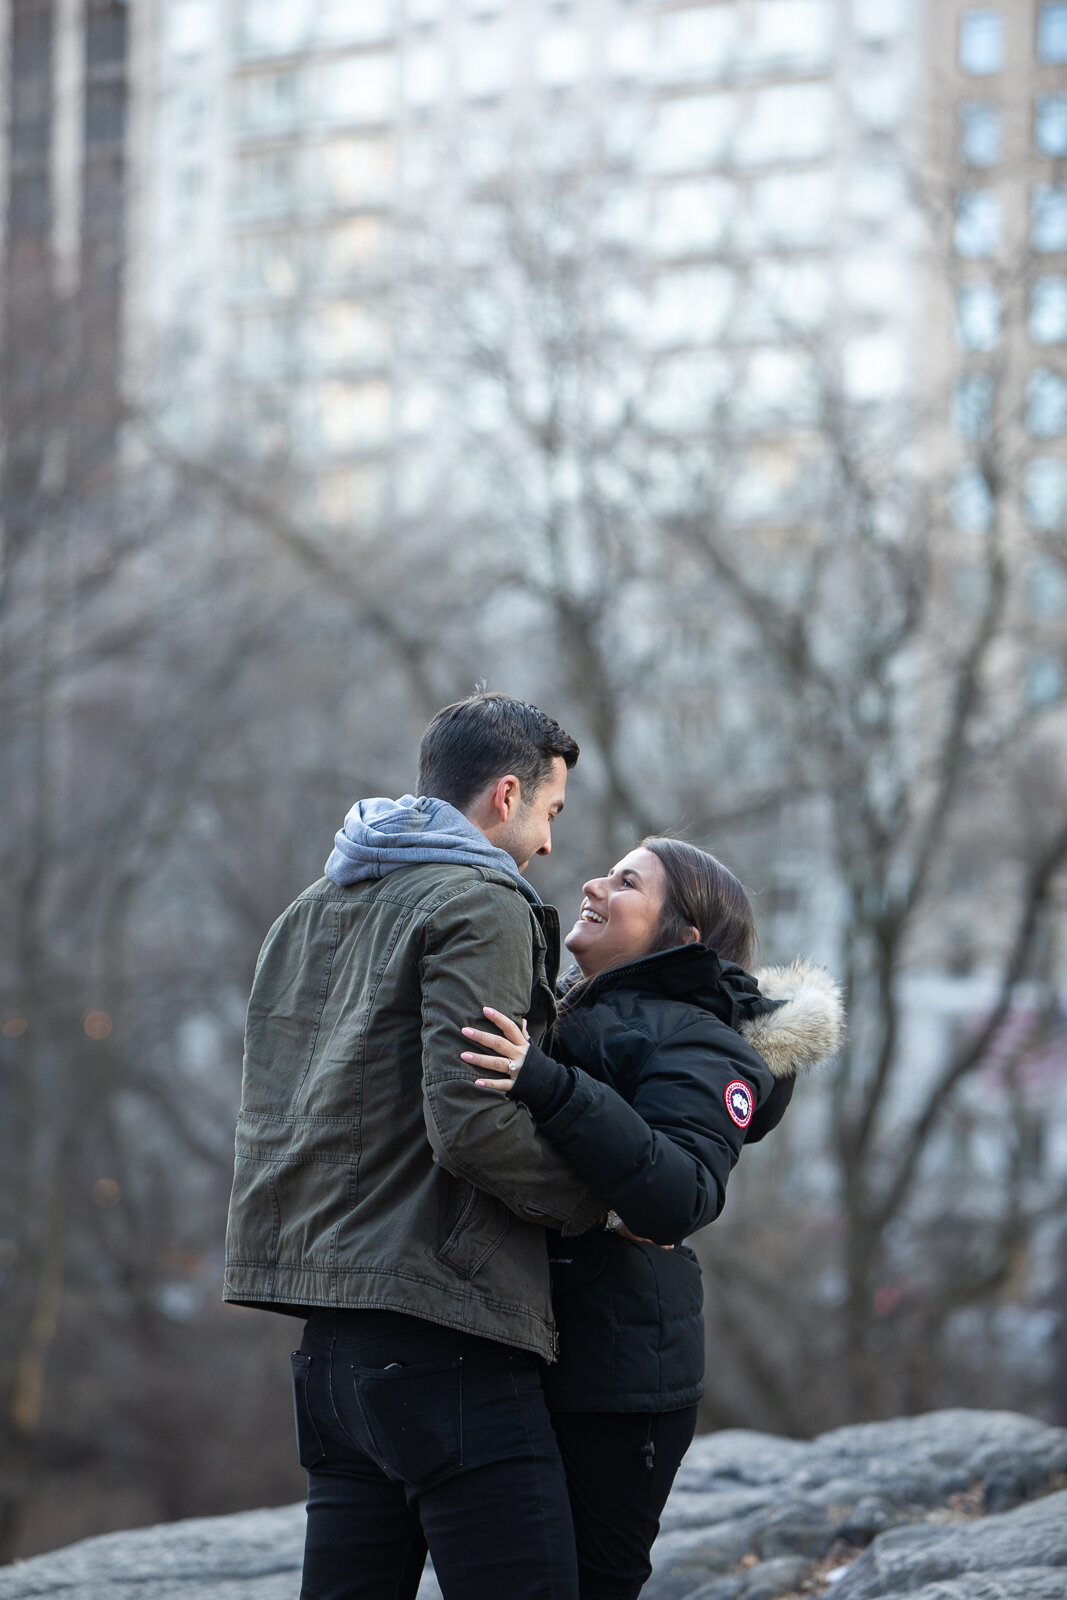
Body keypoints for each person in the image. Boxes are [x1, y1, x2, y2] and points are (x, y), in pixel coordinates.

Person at [223, 691, 610, 1600]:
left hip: (330, 1353)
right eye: (550, 813)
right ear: (506, 795)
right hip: (446, 1333)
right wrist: (597, 1206)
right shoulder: (479, 904)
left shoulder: (311, 906)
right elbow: (473, 1123)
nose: (549, 844)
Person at [462, 837, 844, 1600]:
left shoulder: (699, 1041)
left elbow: (678, 1196)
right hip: (530, 1350)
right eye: (606, 870)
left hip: (619, 1384)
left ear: (683, 935)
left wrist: (548, 1086)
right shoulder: (568, 1003)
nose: (596, 885)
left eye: (627, 882)